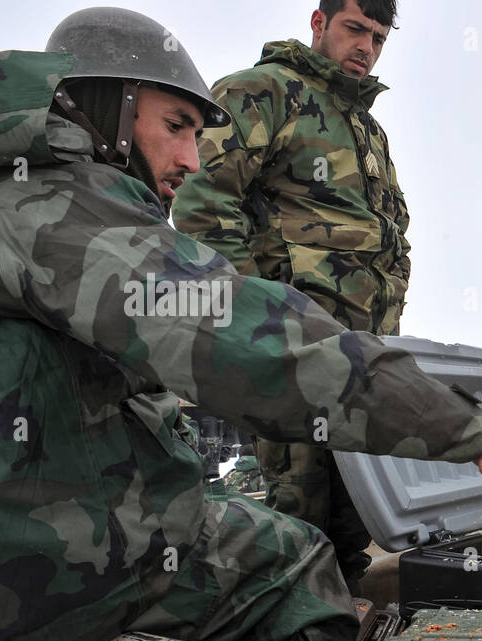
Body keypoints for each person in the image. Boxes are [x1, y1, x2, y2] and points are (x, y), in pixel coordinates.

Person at [0, 8, 482, 641]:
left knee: (323, 528)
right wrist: (468, 427)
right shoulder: (55, 200)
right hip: (30, 566)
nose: (191, 159)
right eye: (176, 128)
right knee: (302, 562)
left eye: (380, 37)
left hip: (26, 516)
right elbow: (221, 318)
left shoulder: (11, 184)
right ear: (108, 103)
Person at [174, 0, 412, 591]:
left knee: (354, 514)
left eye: (379, 38)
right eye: (355, 29)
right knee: (295, 513)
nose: (367, 47)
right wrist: (255, 317)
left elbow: (389, 235)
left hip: (360, 354)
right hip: (289, 350)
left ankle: (343, 637)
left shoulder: (366, 129)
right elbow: (203, 202)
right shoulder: (264, 92)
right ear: (319, 23)